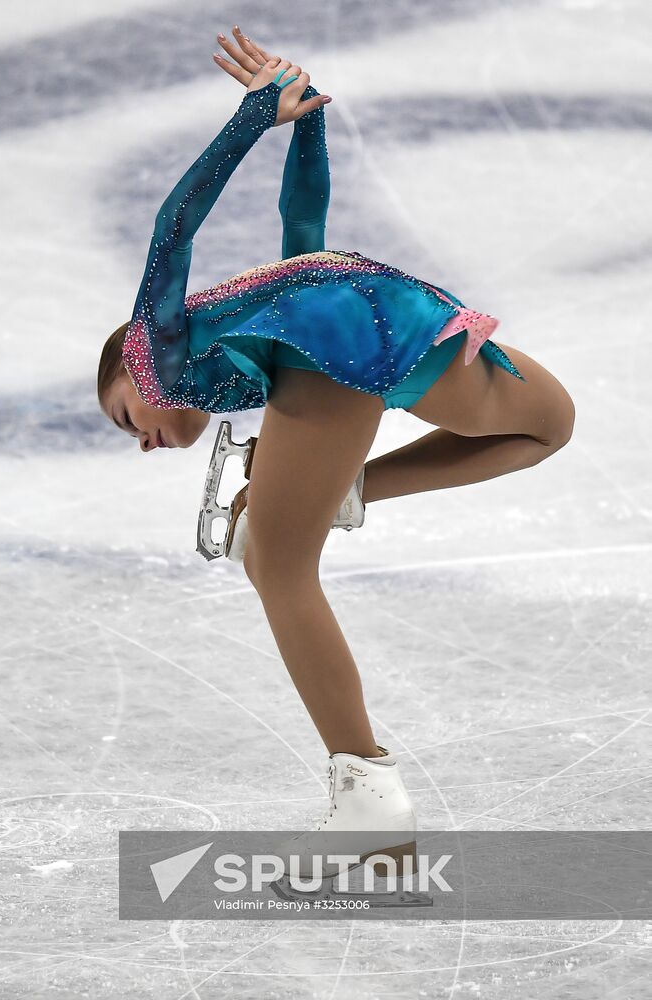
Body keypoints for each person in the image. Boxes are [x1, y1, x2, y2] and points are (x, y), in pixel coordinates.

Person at [97, 27, 575, 873]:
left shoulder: (154, 346)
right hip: (400, 310)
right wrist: (307, 123)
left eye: (124, 413)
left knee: (275, 562)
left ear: (131, 364)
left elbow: (176, 220)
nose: (140, 436)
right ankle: (347, 487)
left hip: (341, 346)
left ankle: (369, 801)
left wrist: (252, 120)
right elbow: (304, 226)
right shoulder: (260, 315)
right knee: (546, 424)